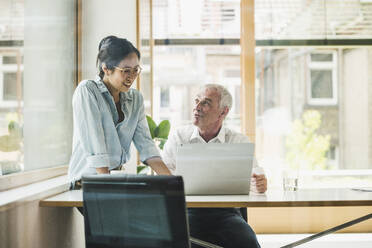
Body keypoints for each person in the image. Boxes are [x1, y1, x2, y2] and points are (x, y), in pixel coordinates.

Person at [162, 84, 267, 248]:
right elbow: (163, 178)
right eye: (197, 101)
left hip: (226, 214)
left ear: (223, 112)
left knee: (248, 243)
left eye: (206, 103)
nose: (197, 107)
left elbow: (255, 179)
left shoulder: (239, 141)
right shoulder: (178, 137)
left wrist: (259, 184)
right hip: (187, 212)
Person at [68, 36, 170, 187]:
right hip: (87, 182)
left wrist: (173, 182)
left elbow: (147, 147)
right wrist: (109, 187)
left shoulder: (135, 99)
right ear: (106, 69)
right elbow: (96, 147)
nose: (132, 77)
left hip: (113, 180)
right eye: (126, 71)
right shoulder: (87, 91)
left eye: (136, 70)